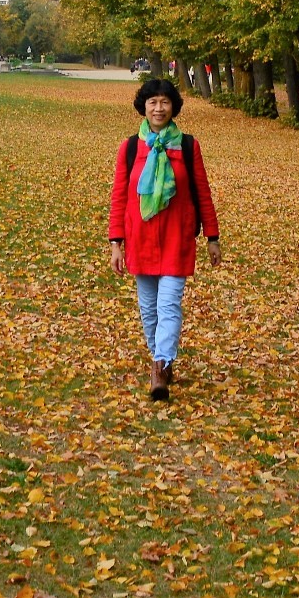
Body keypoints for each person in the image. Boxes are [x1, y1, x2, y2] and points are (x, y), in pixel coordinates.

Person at [108, 77, 220, 401]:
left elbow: (203, 192)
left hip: (176, 238)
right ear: (144, 107)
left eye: (165, 102)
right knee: (149, 310)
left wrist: (212, 237)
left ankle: (159, 366)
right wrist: (116, 242)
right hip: (140, 238)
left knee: (169, 304)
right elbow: (119, 196)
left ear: (174, 107)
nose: (159, 108)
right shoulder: (130, 147)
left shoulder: (187, 145)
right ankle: (163, 359)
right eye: (153, 102)